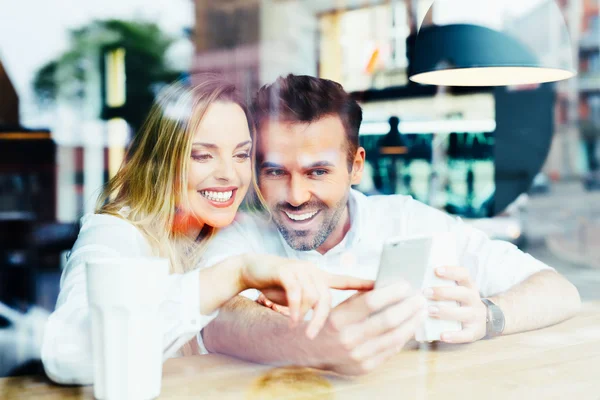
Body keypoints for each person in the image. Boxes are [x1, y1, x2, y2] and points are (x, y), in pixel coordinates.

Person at [198, 74, 582, 375]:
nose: (296, 196)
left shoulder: (409, 221)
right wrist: (316, 342)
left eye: (317, 172)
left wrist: (489, 316)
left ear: (356, 167)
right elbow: (216, 319)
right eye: (277, 172)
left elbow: (559, 290)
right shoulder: (241, 235)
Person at [41, 77, 373, 384]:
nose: (229, 174)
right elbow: (66, 353)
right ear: (162, 160)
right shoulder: (115, 232)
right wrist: (233, 277)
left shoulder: (240, 230)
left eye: (241, 155)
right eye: (203, 155)